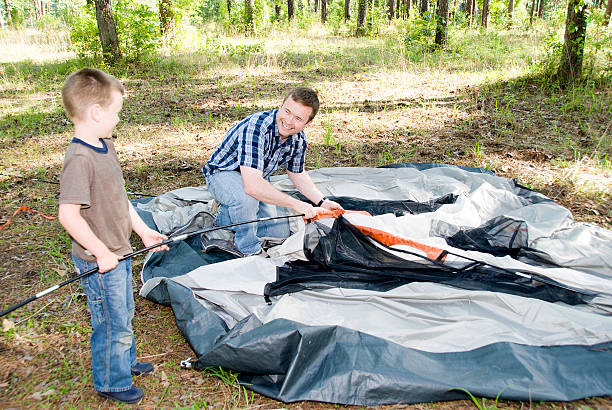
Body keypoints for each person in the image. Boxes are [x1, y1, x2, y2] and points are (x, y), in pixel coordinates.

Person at [57, 68, 169, 404]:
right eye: (116, 112)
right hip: (101, 259)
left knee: (123, 311)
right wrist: (101, 252)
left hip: (118, 252)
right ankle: (112, 381)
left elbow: (120, 197)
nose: (118, 119)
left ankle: (124, 360)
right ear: (96, 112)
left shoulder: (104, 145)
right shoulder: (79, 158)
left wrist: (143, 229)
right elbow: (68, 215)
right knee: (111, 320)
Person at [202, 86, 343, 256]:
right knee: (246, 198)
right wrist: (298, 205)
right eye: (287, 111)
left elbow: (297, 174)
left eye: (298, 118)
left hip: (258, 176)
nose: (289, 121)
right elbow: (252, 186)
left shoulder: (298, 139)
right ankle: (249, 250)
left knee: (277, 233)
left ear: (308, 123)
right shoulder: (257, 127)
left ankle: (225, 216)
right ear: (281, 106)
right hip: (223, 174)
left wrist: (322, 202)